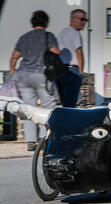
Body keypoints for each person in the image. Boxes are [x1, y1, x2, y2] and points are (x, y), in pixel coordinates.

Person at [9, 10, 59, 151]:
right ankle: (44, 140)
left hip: (24, 75)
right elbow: (56, 53)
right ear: (46, 22)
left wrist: (13, 72)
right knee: (48, 107)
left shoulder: (24, 38)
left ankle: (31, 141)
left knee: (27, 108)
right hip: (42, 74)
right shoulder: (48, 36)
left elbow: (14, 57)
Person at [55, 9, 87, 108]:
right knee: (70, 106)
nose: (84, 22)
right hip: (73, 71)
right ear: (73, 19)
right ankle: (67, 123)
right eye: (82, 19)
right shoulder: (75, 33)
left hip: (60, 71)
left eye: (85, 20)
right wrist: (81, 73)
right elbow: (79, 53)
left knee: (65, 103)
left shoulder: (62, 32)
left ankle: (62, 123)